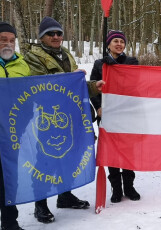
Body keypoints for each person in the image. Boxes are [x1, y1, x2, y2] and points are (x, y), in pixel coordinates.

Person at [24, 16, 103, 223]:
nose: (56, 36)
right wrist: (71, 79)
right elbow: (40, 85)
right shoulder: (33, 57)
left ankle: (64, 196)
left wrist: (94, 86)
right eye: (51, 33)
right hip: (46, 116)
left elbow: (75, 85)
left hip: (70, 114)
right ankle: (40, 204)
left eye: (59, 33)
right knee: (45, 161)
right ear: (41, 37)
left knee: (70, 156)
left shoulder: (66, 54)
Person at [90, 30, 140, 203]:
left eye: (122, 41)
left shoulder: (131, 62)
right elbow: (93, 89)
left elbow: (137, 85)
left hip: (127, 115)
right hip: (108, 115)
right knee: (111, 151)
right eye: (115, 41)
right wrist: (98, 107)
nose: (119, 44)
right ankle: (116, 188)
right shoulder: (99, 64)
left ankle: (129, 186)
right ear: (108, 44)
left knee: (127, 152)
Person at [0, 22, 29, 230]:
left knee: (11, 177)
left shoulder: (23, 66)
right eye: (3, 40)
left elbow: (31, 96)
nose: (8, 44)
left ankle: (10, 222)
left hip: (12, 133)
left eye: (11, 40)